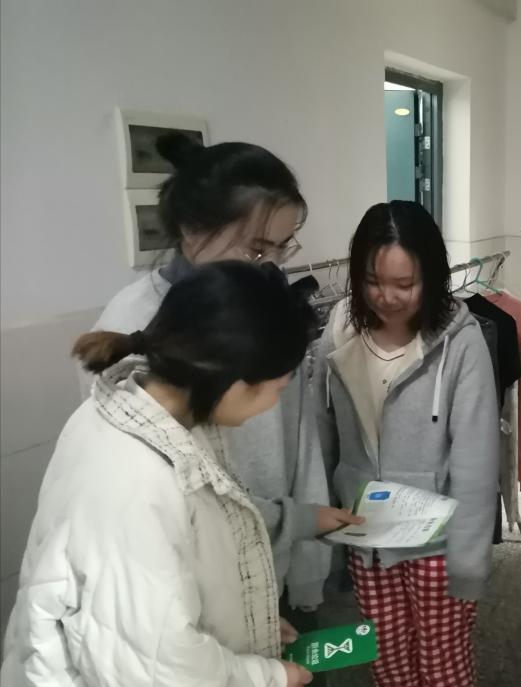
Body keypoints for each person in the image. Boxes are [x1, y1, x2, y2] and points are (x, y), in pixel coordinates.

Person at [1, 262, 322, 686]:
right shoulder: (134, 483)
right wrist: (268, 676)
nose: (273, 406)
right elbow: (157, 669)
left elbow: (172, 592)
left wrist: (247, 624)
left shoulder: (155, 416)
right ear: (234, 382)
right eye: (279, 389)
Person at [81, 132, 356, 612]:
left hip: (272, 562)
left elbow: (300, 437)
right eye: (256, 250)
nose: (270, 267)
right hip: (189, 598)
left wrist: (308, 569)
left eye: (282, 248)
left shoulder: (268, 304)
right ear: (192, 230)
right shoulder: (131, 326)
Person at [313, 200, 499, 687]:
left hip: (435, 543)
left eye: (405, 284)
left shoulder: (461, 342)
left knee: (443, 666)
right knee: (387, 663)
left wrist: (469, 561)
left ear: (431, 277)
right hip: (367, 536)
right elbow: (322, 434)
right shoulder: (341, 328)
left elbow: (477, 458)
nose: (387, 297)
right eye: (373, 281)